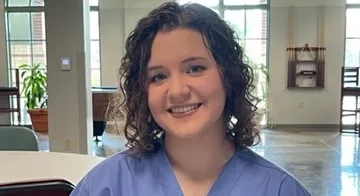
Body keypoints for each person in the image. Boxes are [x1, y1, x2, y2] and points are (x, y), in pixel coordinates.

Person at [70, 1, 312, 196]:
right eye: (159, 76)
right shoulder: (108, 186)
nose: (176, 91)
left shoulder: (278, 189)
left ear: (229, 75)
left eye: (195, 68)